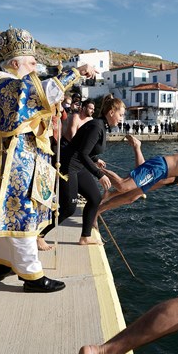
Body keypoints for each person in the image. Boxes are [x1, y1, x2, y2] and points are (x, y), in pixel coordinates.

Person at [0, 26, 96, 290]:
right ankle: (32, 276)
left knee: (5, 217)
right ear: (15, 63)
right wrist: (76, 72)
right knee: (22, 217)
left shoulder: (3, 84)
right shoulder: (7, 85)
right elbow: (36, 92)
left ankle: (1, 265)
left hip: (11, 162)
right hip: (10, 166)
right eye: (31, 63)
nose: (35, 68)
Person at [39, 94, 126, 245]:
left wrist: (95, 160)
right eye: (121, 114)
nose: (121, 118)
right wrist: (99, 175)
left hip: (78, 164)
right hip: (68, 165)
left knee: (95, 198)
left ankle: (85, 237)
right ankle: (39, 235)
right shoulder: (97, 126)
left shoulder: (101, 125)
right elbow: (82, 153)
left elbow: (83, 149)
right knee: (68, 208)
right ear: (111, 112)